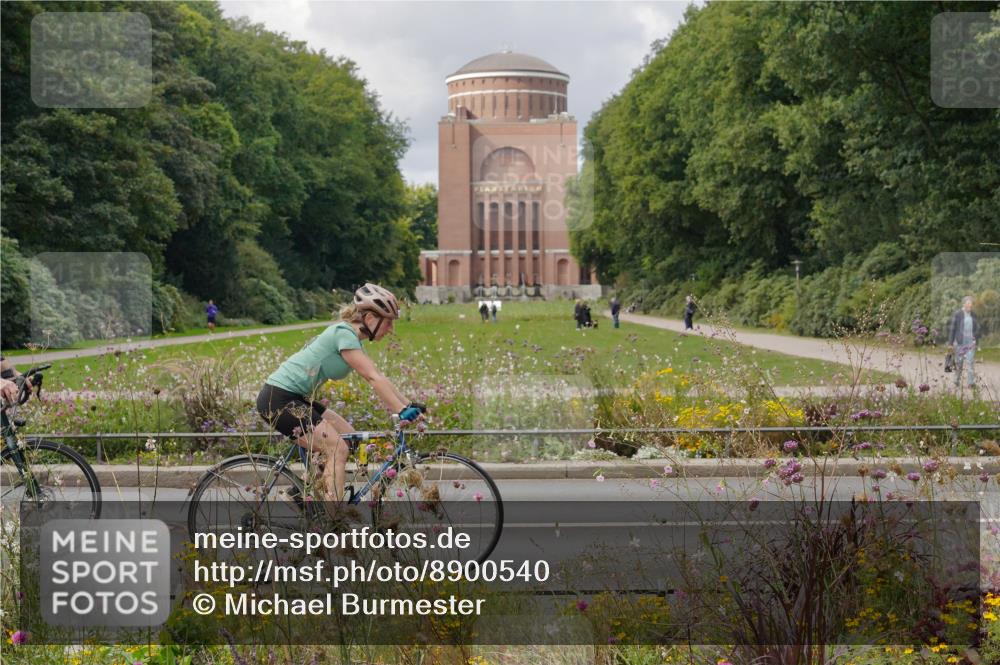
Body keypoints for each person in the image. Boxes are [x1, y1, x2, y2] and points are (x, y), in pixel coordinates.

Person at [255, 283, 424, 501]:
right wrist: (400, 410)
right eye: (388, 321)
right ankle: (335, 523)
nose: (391, 329)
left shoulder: (350, 339)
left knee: (348, 435)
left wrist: (408, 404)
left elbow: (379, 376)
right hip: (278, 398)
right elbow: (371, 377)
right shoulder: (343, 334)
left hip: (295, 398)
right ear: (371, 319)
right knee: (337, 450)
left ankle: (304, 493)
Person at [948, 296, 979, 389]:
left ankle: (970, 383)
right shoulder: (958, 314)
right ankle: (956, 381)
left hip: (970, 343)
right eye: (968, 304)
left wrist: (976, 339)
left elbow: (976, 328)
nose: (970, 306)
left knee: (970, 362)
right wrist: (950, 343)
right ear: (964, 304)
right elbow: (952, 329)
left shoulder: (973, 314)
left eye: (971, 304)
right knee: (959, 363)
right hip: (959, 343)